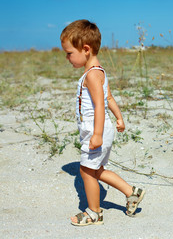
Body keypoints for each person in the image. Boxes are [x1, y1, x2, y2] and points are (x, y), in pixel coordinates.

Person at [60, 19, 145, 226]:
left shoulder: (91, 75)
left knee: (86, 171)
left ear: (85, 49)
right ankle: (131, 192)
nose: (67, 57)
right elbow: (109, 99)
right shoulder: (99, 71)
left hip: (96, 130)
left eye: (70, 52)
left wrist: (97, 134)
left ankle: (94, 212)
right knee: (96, 170)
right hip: (102, 128)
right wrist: (119, 117)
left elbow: (100, 105)